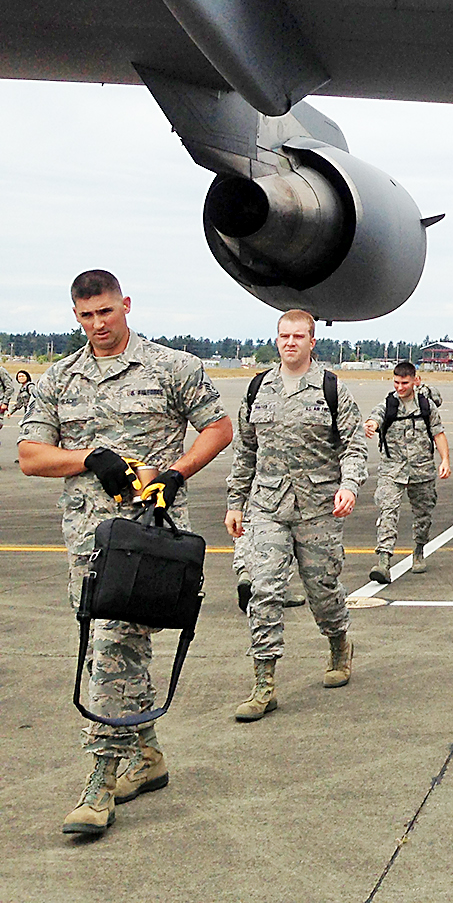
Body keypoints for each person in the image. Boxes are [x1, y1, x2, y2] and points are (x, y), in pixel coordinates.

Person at [19, 270, 233, 836]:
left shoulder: (172, 367)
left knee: (113, 649)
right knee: (112, 648)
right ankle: (150, 757)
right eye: (86, 316)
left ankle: (98, 782)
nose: (98, 325)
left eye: (106, 312)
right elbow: (32, 456)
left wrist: (175, 471)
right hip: (88, 544)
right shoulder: (59, 377)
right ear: (75, 316)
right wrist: (91, 458)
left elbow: (218, 427)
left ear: (126, 305)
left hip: (150, 539)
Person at [225, 310, 366, 722]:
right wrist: (236, 503)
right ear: (277, 340)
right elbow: (245, 452)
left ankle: (339, 642)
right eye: (284, 336)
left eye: (298, 336)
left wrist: (349, 485)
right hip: (267, 506)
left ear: (312, 341)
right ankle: (263, 683)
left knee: (321, 592)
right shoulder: (257, 389)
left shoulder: (330, 388)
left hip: (319, 507)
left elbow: (354, 447)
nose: (290, 343)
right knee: (264, 590)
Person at [364, 361, 451, 582]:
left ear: (414, 381)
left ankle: (419, 549)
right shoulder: (388, 404)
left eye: (404, 382)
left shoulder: (425, 406)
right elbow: (376, 416)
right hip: (392, 470)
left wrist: (445, 461)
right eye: (396, 382)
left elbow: (438, 434)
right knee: (387, 512)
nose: (400, 387)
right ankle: (383, 562)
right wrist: (372, 425)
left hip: (422, 470)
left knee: (423, 515)